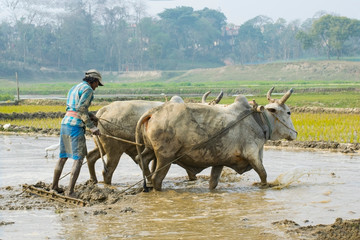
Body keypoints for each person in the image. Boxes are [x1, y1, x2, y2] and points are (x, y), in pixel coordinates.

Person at [51, 69, 103, 197]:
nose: (97, 87)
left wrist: (91, 115)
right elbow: (81, 109)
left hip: (65, 123)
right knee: (78, 159)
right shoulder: (88, 90)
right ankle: (70, 191)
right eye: (97, 84)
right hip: (75, 126)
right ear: (94, 81)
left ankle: (54, 186)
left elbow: (73, 107)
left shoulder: (75, 87)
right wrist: (92, 127)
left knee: (63, 157)